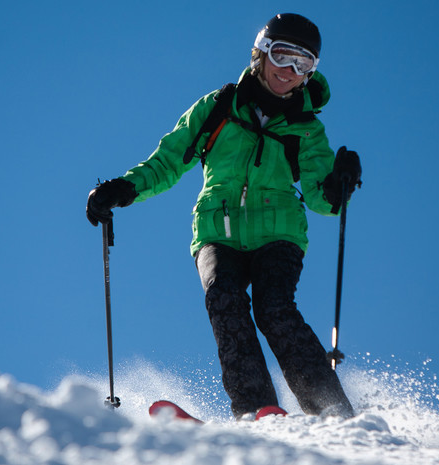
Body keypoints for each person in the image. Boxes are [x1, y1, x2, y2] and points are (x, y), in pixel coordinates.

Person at [86, 13, 362, 419]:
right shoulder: (217, 108)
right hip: (217, 231)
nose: (289, 71)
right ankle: (257, 409)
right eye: (283, 55)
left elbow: (323, 200)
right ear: (260, 53)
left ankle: (331, 410)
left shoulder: (306, 128)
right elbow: (168, 161)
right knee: (224, 300)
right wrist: (123, 189)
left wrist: (340, 186)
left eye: (303, 64)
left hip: (279, 233)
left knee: (274, 308)